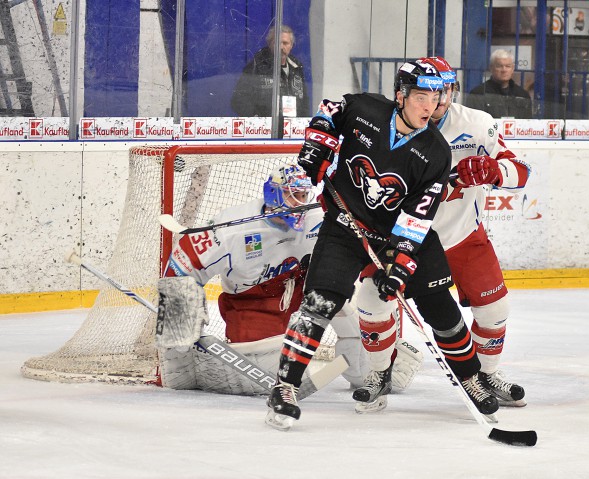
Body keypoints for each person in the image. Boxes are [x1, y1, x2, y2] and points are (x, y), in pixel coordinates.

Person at [265, 60, 499, 430]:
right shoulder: (365, 110)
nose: (430, 106)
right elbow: (330, 110)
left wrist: (401, 260)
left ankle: (471, 378)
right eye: (421, 96)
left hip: (398, 234)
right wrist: (317, 145)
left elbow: (418, 216)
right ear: (400, 95)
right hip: (345, 228)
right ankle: (284, 388)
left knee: (439, 307)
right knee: (319, 303)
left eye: (435, 97)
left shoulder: (435, 152)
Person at [156, 163, 422, 396]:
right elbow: (182, 267)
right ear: (273, 194)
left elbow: (359, 248)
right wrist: (180, 328)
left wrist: (379, 269)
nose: (300, 202)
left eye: (304, 195)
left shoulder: (319, 217)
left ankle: (372, 370)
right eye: (292, 195)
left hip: (306, 288)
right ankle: (194, 370)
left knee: (353, 321)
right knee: (266, 377)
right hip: (252, 303)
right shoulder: (233, 229)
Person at [422, 56, 531, 407]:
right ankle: (379, 372)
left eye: (445, 90)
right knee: (373, 304)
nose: (438, 99)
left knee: (495, 309)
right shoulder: (394, 126)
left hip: (463, 235)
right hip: (407, 240)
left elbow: (521, 171)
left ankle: (484, 374)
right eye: (430, 92)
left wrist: (494, 171)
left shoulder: (478, 123)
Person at [230, 25, 310, 118]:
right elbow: (238, 100)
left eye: (285, 43)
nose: (281, 47)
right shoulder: (256, 66)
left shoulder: (296, 68)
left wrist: (303, 123)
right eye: (277, 43)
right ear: (269, 44)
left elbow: (304, 102)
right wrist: (259, 120)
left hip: (292, 125)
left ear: (291, 45)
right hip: (267, 126)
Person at [466, 49, 532, 119]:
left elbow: (528, 122)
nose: (504, 70)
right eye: (499, 66)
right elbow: (473, 121)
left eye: (508, 66)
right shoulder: (478, 93)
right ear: (491, 68)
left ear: (512, 69)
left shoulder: (522, 95)